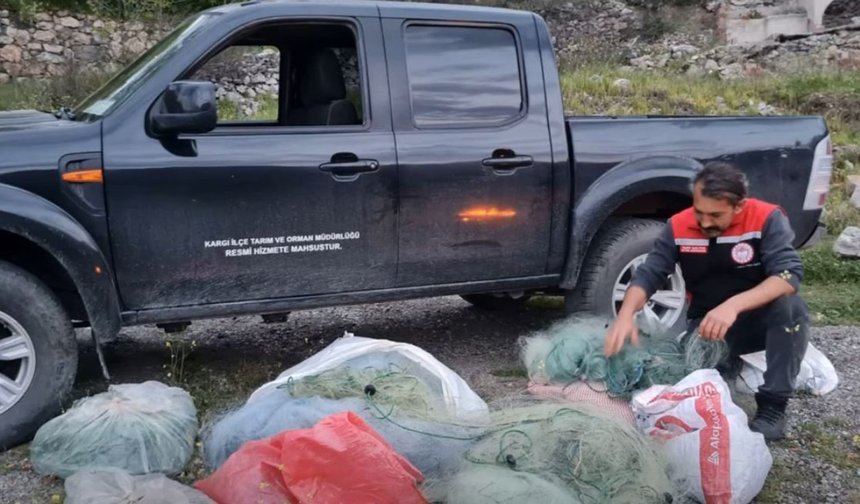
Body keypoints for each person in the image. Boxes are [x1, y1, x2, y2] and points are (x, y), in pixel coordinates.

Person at [603, 161, 809, 440]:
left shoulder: (766, 218)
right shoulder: (679, 225)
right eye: (699, 212)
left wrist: (732, 306)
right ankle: (726, 364)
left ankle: (773, 407)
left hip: (757, 320)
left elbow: (788, 276)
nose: (705, 222)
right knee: (695, 385)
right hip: (707, 327)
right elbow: (649, 274)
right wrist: (625, 315)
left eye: (715, 215)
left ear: (739, 206)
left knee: (791, 309)